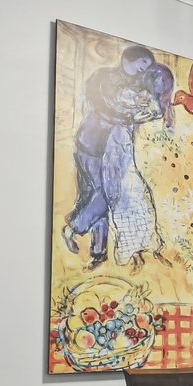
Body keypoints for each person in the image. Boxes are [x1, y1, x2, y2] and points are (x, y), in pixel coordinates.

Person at [62, 45, 173, 269]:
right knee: (93, 195)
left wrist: (148, 113)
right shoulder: (103, 76)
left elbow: (152, 104)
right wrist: (128, 115)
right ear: (132, 61)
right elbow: (98, 105)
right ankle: (81, 233)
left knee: (105, 194)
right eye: (144, 65)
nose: (146, 70)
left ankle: (92, 247)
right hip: (91, 141)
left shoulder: (140, 82)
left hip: (112, 149)